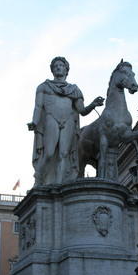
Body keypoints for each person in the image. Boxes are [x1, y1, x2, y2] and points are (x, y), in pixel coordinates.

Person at [28, 57, 104, 186]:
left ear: (66, 70)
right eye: (56, 66)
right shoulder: (44, 87)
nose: (58, 67)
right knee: (49, 153)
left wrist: (93, 104)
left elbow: (82, 110)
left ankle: (58, 185)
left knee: (64, 154)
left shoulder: (74, 89)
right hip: (51, 118)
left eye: (61, 65)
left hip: (68, 120)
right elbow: (38, 107)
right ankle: (39, 179)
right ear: (52, 70)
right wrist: (34, 122)